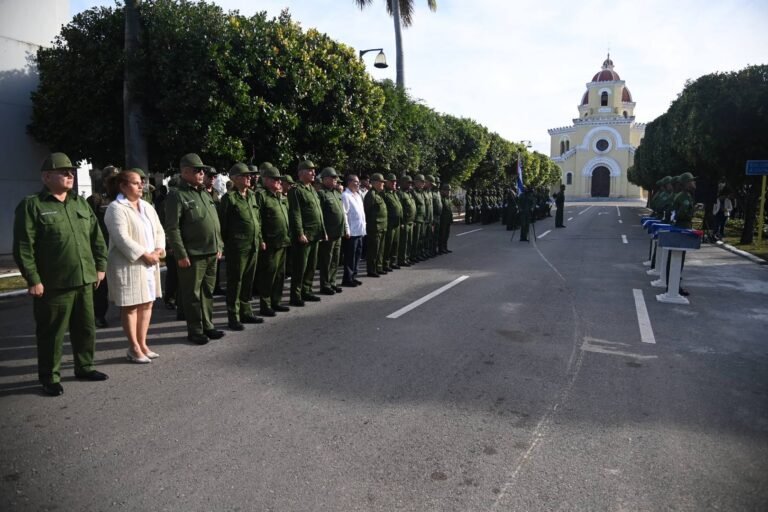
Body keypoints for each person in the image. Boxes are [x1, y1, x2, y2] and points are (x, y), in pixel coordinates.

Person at [13, 152, 109, 396]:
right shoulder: (32, 205)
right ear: (46, 176)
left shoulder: (80, 203)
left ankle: (85, 366)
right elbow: (24, 246)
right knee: (52, 333)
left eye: (71, 171)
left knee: (86, 328)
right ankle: (49, 376)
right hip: (53, 284)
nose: (70, 174)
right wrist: (33, 279)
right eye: (63, 171)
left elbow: (97, 238)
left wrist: (100, 266)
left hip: (85, 279)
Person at [104, 169, 166, 363]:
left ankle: (143, 343)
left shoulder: (147, 206)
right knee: (131, 306)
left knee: (147, 303)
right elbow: (121, 238)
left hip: (149, 262)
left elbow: (159, 230)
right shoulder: (116, 208)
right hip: (128, 264)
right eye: (136, 182)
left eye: (142, 182)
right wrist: (144, 254)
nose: (142, 186)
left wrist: (157, 250)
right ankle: (133, 347)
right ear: (123, 186)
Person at [165, 153, 225, 345]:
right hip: (193, 254)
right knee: (192, 294)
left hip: (210, 251)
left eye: (202, 170)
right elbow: (173, 228)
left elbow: (214, 223)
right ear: (184, 172)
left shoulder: (204, 193)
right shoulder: (177, 195)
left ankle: (208, 325)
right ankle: (195, 330)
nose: (202, 173)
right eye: (197, 170)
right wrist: (181, 254)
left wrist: (219, 245)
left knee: (207, 292)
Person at [219, 163, 264, 331]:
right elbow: (223, 225)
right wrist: (223, 245)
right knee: (235, 281)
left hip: (253, 244)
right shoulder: (229, 198)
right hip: (237, 246)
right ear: (235, 178)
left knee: (248, 280)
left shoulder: (252, 196)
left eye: (250, 175)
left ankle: (246, 312)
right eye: (245, 175)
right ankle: (233, 316)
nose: (249, 178)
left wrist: (259, 239)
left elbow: (257, 220)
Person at [288, 160, 326, 306]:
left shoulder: (311, 189)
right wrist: (299, 233)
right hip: (305, 235)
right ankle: (295, 296)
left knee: (311, 266)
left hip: (315, 233)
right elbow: (295, 213)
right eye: (310, 170)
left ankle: (307, 291)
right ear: (302, 173)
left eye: (314, 170)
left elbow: (319, 212)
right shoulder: (296, 190)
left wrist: (323, 231)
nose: (313, 173)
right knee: (300, 267)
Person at [87, 165, 120, 328]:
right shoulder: (96, 199)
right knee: (101, 286)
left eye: (117, 179)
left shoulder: (123, 198)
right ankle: (99, 315)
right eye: (111, 179)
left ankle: (127, 311)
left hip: (121, 248)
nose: (114, 182)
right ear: (104, 180)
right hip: (103, 248)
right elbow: (88, 226)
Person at [257, 165, 291, 316]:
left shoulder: (280, 196)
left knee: (279, 274)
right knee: (268, 274)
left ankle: (276, 301)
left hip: (282, 241)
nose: (279, 182)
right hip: (270, 242)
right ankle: (265, 304)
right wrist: (261, 239)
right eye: (276, 180)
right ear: (267, 180)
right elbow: (258, 220)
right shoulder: (262, 196)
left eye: (280, 180)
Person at [316, 167, 347, 295]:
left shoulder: (337, 193)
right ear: (325, 179)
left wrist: (344, 228)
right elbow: (320, 215)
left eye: (336, 178)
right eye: (333, 177)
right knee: (326, 260)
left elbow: (342, 213)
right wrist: (323, 232)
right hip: (328, 233)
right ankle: (325, 284)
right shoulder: (321, 194)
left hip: (338, 232)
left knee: (335, 259)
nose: (336, 180)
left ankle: (332, 282)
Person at [341, 174, 365, 287]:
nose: (358, 184)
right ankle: (347, 278)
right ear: (349, 182)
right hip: (351, 231)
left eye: (358, 182)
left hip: (360, 230)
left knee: (357, 255)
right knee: (350, 256)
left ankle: (354, 276)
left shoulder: (358, 195)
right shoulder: (345, 195)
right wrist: (346, 229)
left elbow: (361, 213)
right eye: (356, 182)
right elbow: (344, 213)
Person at [363, 173, 388, 277]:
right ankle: (371, 270)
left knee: (380, 249)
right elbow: (367, 212)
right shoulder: (371, 195)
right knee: (373, 250)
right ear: (376, 183)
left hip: (382, 226)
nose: (383, 184)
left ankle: (378, 267)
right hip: (375, 227)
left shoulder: (378, 194)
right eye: (382, 182)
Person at [382, 173, 403, 271]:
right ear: (387, 182)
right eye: (392, 181)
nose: (394, 183)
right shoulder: (384, 193)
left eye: (395, 181)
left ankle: (393, 262)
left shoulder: (395, 193)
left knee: (395, 243)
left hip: (397, 223)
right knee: (388, 244)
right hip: (389, 223)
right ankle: (385, 264)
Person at [397, 175, 416, 267]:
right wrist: (401, 222)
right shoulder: (400, 193)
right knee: (403, 242)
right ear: (403, 183)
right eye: (408, 183)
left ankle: (407, 258)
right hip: (405, 222)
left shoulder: (409, 193)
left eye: (410, 183)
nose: (409, 185)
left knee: (409, 241)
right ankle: (402, 259)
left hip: (411, 221)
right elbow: (400, 209)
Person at [438, 183, 454, 253]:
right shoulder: (441, 199)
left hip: (447, 220)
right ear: (443, 191)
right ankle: (441, 248)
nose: (448, 192)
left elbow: (449, 210)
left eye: (449, 191)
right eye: (447, 190)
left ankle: (445, 247)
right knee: (442, 235)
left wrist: (451, 219)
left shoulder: (448, 199)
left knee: (447, 234)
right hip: (442, 220)